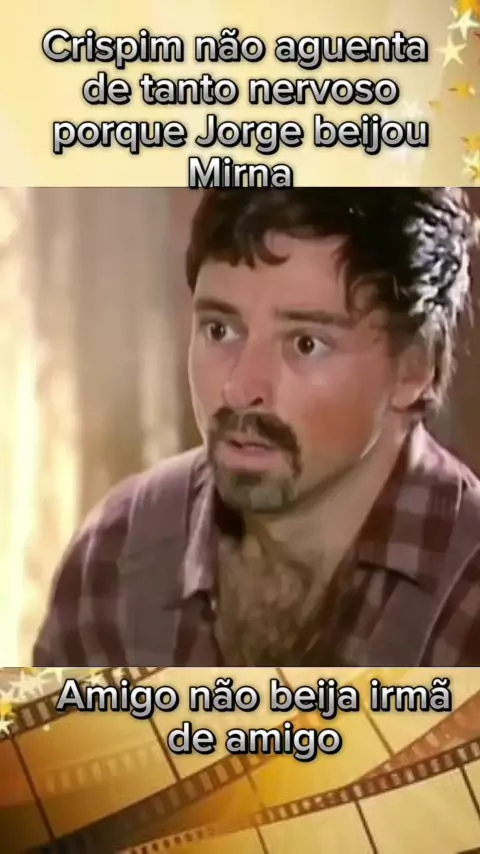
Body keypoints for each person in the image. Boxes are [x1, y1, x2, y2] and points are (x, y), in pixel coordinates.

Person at [34, 188, 480, 668]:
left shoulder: (467, 599)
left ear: (414, 367)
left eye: (306, 343)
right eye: (220, 330)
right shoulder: (113, 559)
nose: (240, 388)